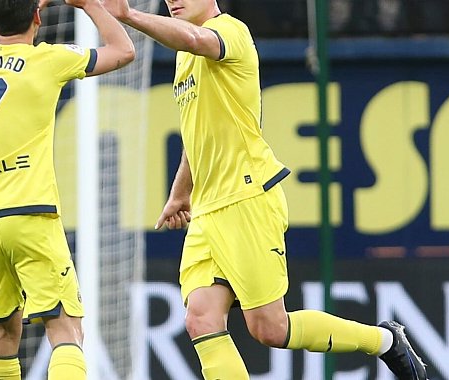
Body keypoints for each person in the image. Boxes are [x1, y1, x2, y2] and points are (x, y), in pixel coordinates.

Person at [101, 0, 427, 379]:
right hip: (207, 208)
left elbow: (194, 37)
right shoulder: (184, 57)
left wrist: (128, 15)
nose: (173, 0)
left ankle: (384, 341)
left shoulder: (230, 32)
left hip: (246, 198)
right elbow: (198, 130)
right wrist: (181, 191)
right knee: (200, 317)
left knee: (271, 328)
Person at [0, 0, 134, 378]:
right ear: (38, 17)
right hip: (29, 214)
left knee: (2, 331)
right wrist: (88, 5)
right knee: (66, 329)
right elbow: (124, 50)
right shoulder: (48, 59)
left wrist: (12, 9)